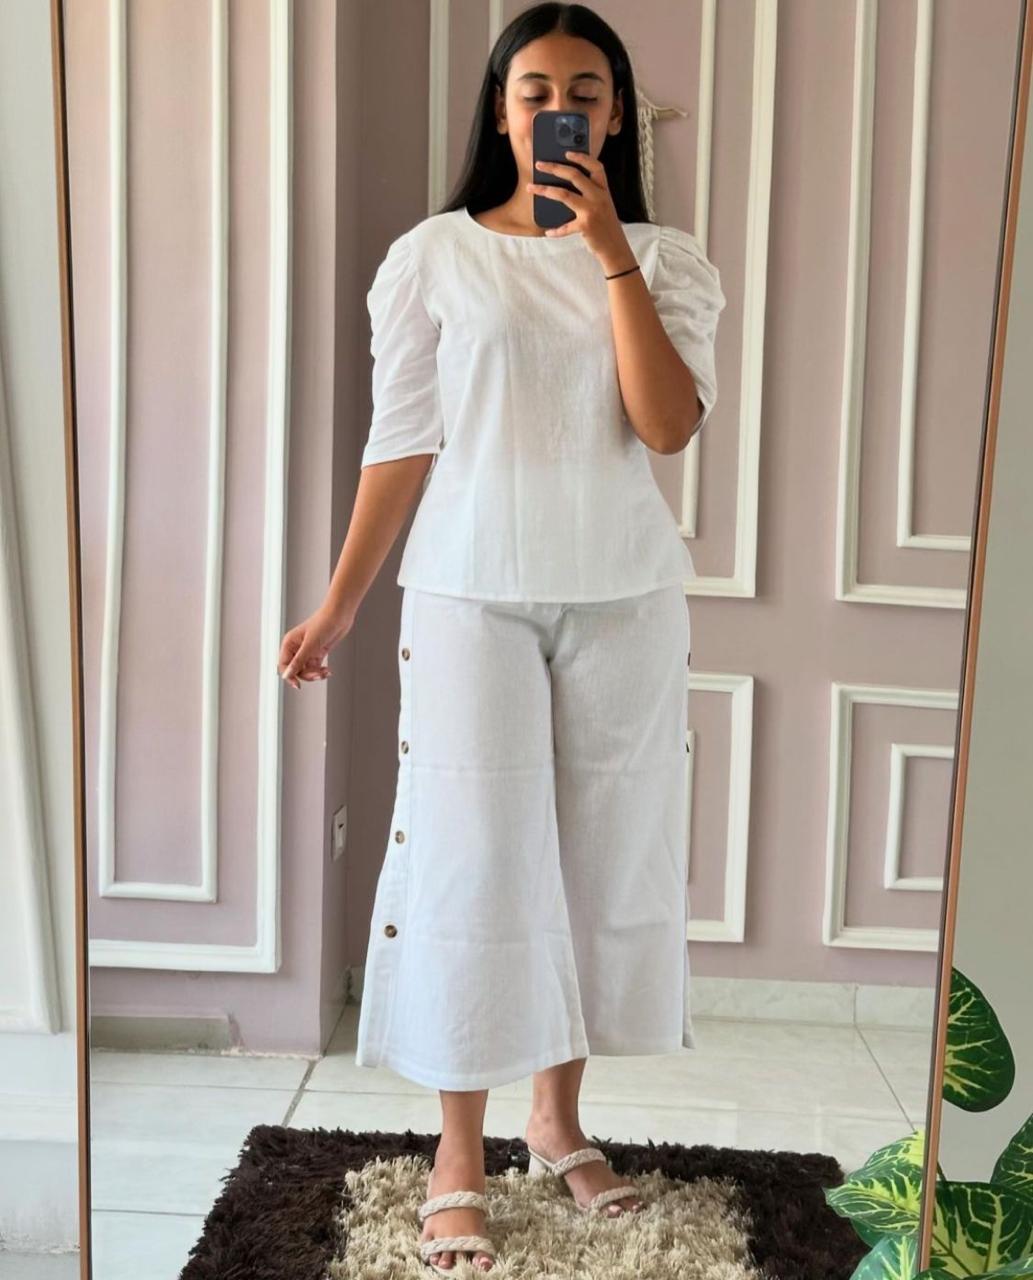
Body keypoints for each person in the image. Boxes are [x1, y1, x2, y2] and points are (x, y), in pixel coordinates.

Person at [277, 4, 726, 1272]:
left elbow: (665, 425)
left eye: (584, 90)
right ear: (499, 108)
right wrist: (341, 601)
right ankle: (458, 1148)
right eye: (535, 90)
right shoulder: (432, 258)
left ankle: (557, 1120)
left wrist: (608, 253)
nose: (558, 108)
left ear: (617, 114)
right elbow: (401, 442)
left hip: (624, 596)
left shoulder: (667, 259)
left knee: (590, 860)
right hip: (467, 593)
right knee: (473, 859)